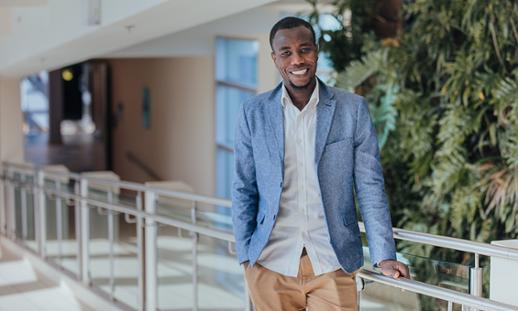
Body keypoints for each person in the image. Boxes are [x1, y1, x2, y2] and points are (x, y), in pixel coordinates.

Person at [231, 16, 409, 311]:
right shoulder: (253, 112)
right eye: (286, 52)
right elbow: (243, 187)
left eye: (305, 49)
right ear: (275, 58)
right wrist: (245, 254)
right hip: (269, 263)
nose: (297, 59)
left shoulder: (352, 109)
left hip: (333, 263)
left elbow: (370, 186)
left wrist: (384, 255)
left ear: (316, 50)